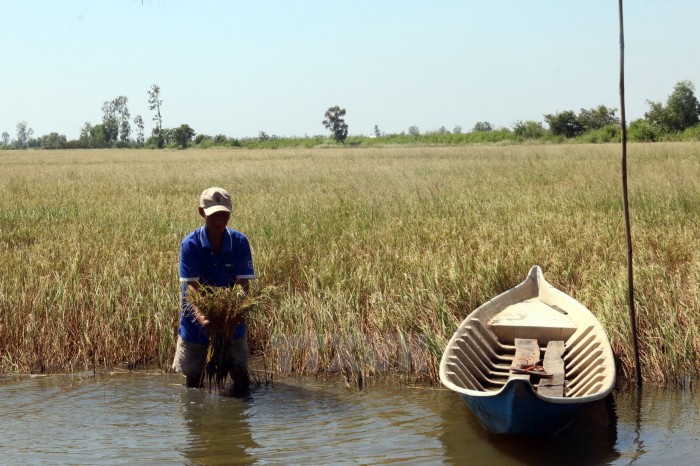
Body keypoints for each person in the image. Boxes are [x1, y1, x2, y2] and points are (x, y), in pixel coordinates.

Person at [172, 186, 256, 393]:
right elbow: (192, 288)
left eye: (224, 215)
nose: (220, 221)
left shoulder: (239, 242)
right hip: (196, 322)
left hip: (231, 320)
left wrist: (235, 314)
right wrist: (203, 320)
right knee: (193, 381)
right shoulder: (190, 244)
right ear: (202, 212)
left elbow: (243, 284)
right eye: (214, 216)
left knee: (239, 376)